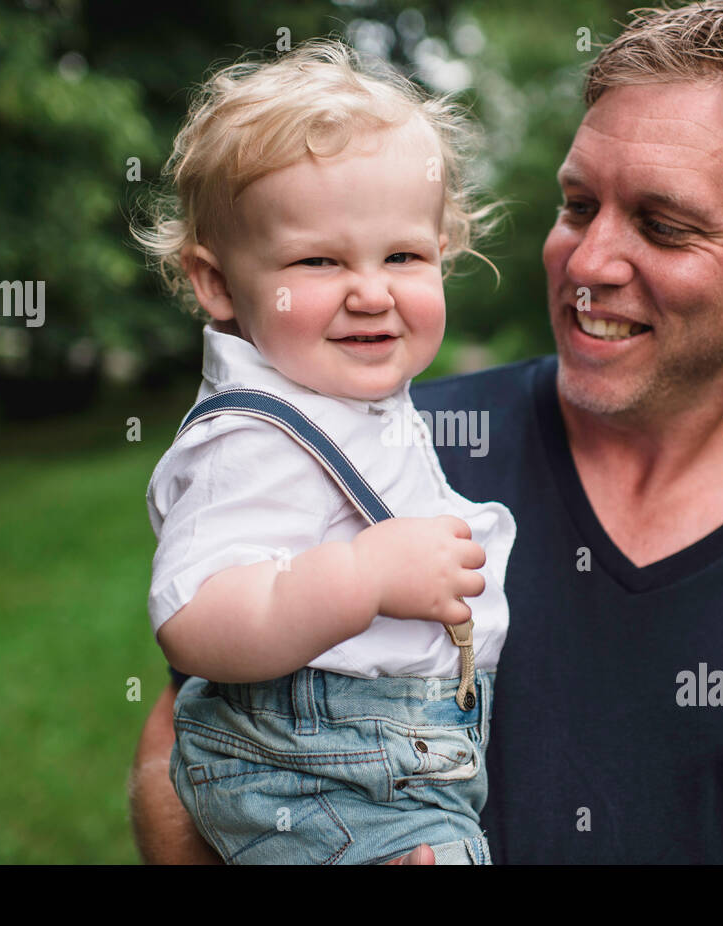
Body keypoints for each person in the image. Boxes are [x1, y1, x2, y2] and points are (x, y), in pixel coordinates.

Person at [130, 0, 723, 864]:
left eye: (663, 225)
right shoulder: (384, 452)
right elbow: (187, 742)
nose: (589, 262)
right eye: (576, 205)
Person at [134, 40, 516, 864]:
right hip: (325, 772)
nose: (372, 291)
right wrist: (363, 577)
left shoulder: (350, 401)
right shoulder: (252, 435)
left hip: (395, 758)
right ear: (219, 283)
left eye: (405, 256)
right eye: (318, 260)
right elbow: (193, 617)